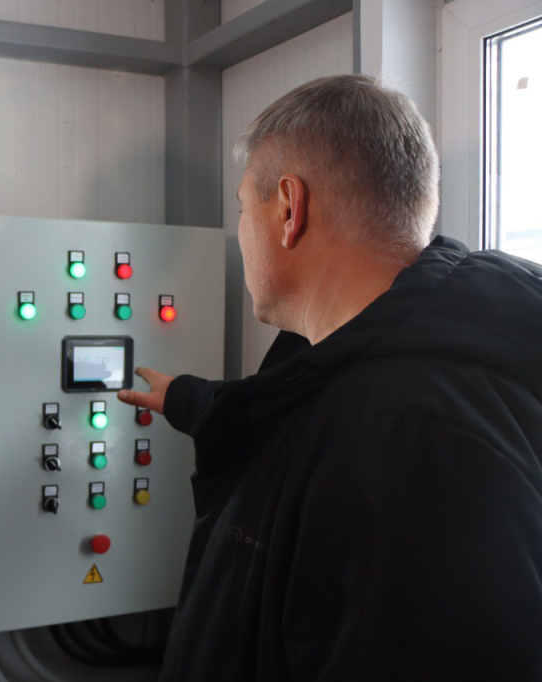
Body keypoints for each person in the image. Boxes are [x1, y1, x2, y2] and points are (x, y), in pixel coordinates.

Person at [119, 74, 542, 680]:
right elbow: (286, 419)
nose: (241, 234)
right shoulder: (386, 361)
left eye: (242, 207)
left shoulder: (405, 447)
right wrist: (186, 398)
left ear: (289, 208)